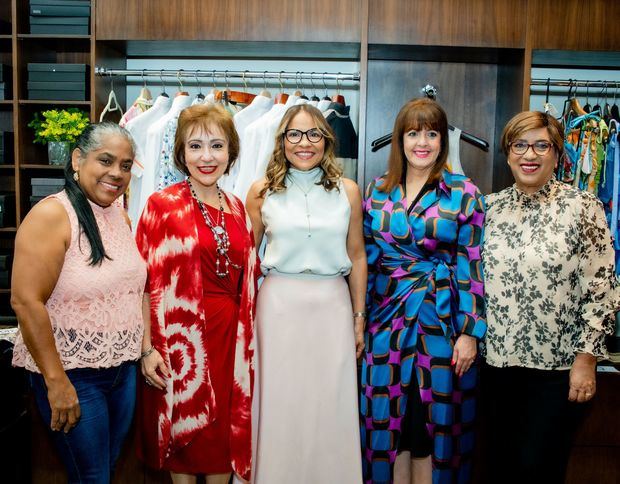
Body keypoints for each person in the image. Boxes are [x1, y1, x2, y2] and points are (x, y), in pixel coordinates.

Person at [481, 111, 619, 484]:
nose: (530, 154)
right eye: (520, 144)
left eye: (542, 145)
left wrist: (586, 358)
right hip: (495, 367)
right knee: (498, 466)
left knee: (538, 468)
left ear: (557, 154)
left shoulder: (583, 207)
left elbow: (602, 285)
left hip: (557, 372)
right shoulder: (488, 209)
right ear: (508, 153)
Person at [361, 98, 487, 484]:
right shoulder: (377, 191)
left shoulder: (464, 192)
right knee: (387, 429)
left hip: (440, 325)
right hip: (385, 326)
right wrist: (358, 322)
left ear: (442, 141)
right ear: (399, 138)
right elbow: (365, 263)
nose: (423, 142)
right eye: (414, 132)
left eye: (432, 133)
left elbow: (472, 264)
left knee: (431, 429)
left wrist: (469, 332)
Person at [11, 123, 146, 483]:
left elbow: (131, 290)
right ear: (77, 159)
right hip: (73, 373)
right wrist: (56, 382)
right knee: (92, 477)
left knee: (105, 468)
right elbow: (26, 301)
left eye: (126, 165)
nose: (117, 173)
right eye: (106, 160)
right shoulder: (53, 215)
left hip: (121, 371)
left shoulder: (119, 215)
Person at [136, 103, 257, 484]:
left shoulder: (238, 208)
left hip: (229, 345)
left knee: (222, 445)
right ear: (181, 154)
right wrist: (147, 347)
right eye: (196, 146)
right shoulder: (162, 205)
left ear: (231, 153)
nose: (207, 157)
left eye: (217, 146)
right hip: (180, 346)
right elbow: (141, 283)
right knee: (185, 447)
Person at [246, 104, 366, 483]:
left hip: (333, 306)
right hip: (278, 306)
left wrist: (358, 318)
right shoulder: (261, 191)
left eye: (314, 134)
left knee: (330, 403)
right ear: (282, 141)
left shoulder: (348, 191)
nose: (304, 143)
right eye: (294, 135)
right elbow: (248, 258)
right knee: (280, 402)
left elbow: (357, 256)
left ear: (327, 141)